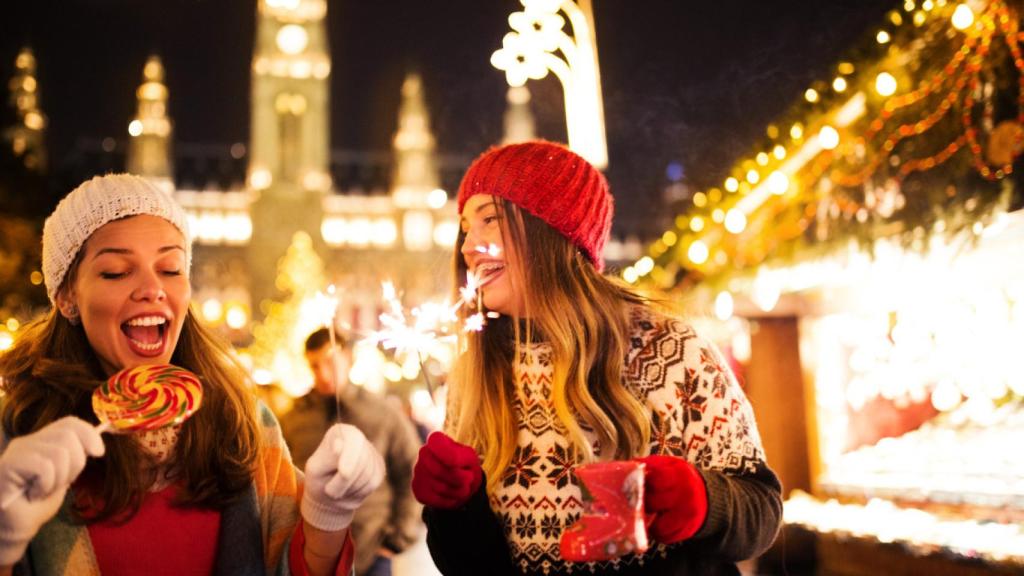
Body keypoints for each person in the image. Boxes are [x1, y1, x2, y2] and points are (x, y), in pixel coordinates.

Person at [410, 141, 783, 575]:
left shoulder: (668, 348)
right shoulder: (473, 378)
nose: (469, 245)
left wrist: (703, 501)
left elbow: (762, 509)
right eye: (464, 228)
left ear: (548, 228)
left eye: (489, 219)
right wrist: (453, 510)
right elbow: (474, 568)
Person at [0, 174, 384, 576]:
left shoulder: (244, 425)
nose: (153, 288)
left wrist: (327, 516)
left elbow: (295, 566)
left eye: (170, 268)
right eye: (115, 272)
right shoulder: (22, 437)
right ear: (66, 297)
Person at [279, 328, 422, 576]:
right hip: (311, 552)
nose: (323, 374)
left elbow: (412, 472)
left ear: (348, 359)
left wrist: (396, 540)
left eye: (330, 363)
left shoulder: (383, 413)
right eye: (314, 366)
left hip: (372, 551)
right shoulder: (293, 419)